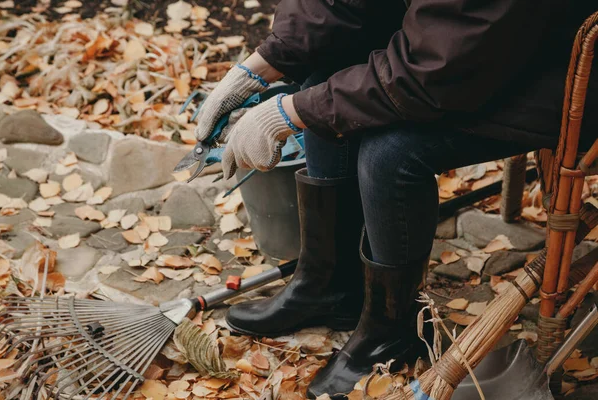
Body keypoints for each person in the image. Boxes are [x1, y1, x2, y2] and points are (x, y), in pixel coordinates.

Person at [194, 1, 597, 398]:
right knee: (328, 72)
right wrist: (260, 65)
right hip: (470, 47)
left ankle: (391, 332)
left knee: (391, 152)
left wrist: (288, 112)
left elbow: (436, 69)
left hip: (558, 64)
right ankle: (329, 286)